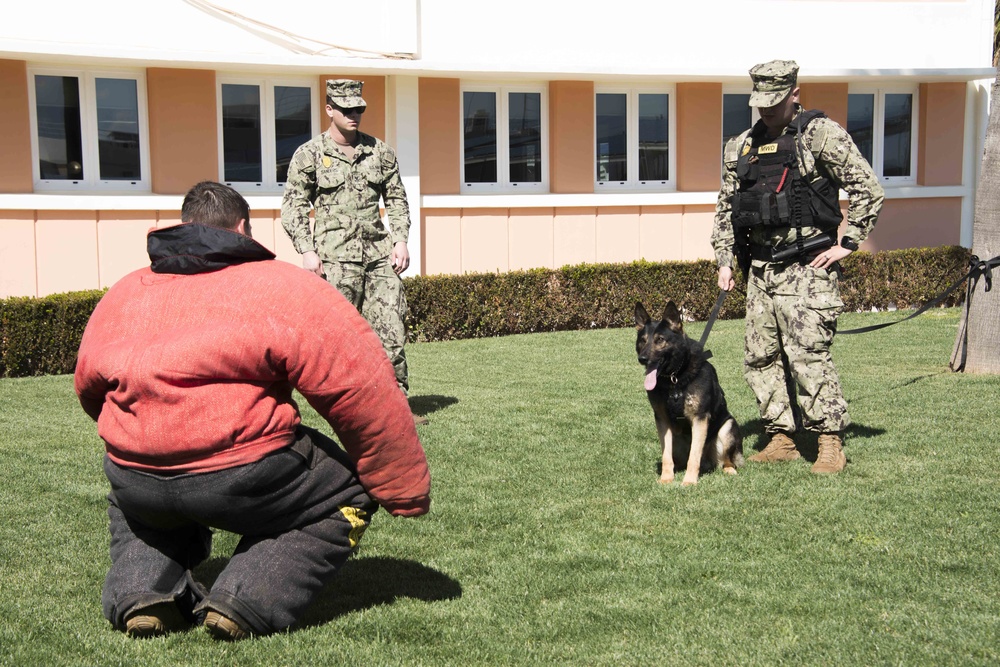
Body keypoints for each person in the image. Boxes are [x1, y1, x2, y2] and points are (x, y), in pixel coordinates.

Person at [74, 181, 431, 640]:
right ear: (243, 228)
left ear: (184, 227)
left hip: (135, 469)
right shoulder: (283, 285)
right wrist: (404, 488)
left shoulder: (126, 291)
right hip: (243, 472)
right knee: (346, 492)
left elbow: (88, 387)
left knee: (138, 506)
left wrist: (146, 433)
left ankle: (143, 593)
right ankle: (247, 600)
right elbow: (359, 386)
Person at [711, 60, 884, 474]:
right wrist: (725, 259)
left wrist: (849, 242)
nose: (766, 111)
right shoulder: (741, 147)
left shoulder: (819, 135)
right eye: (760, 103)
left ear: (794, 93)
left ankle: (829, 443)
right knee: (760, 357)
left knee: (808, 356)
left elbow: (868, 189)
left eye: (774, 102)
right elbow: (725, 209)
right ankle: (781, 438)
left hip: (807, 269)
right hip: (760, 273)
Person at [281, 79, 418, 414]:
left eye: (358, 108)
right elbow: (293, 205)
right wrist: (307, 250)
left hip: (378, 258)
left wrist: (400, 240)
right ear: (330, 110)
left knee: (391, 332)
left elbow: (397, 200)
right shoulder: (310, 154)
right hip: (334, 261)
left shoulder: (380, 153)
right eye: (346, 109)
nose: (354, 114)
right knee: (336, 341)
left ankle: (395, 409)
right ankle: (342, 409)